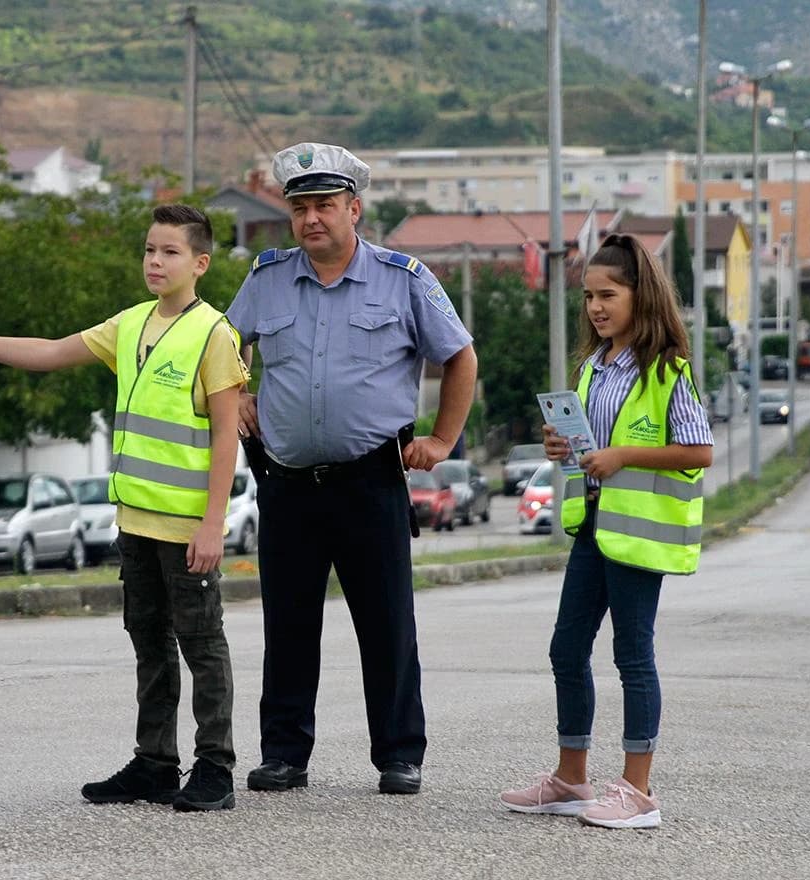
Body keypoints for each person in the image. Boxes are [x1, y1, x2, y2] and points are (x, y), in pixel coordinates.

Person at [0, 204, 248, 813]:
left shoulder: (214, 334)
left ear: (199, 264)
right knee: (149, 641)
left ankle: (216, 767)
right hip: (134, 523)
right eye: (149, 249)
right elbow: (46, 351)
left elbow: (228, 434)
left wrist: (212, 524)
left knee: (202, 644)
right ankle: (154, 765)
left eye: (170, 252)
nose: (155, 260)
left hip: (186, 527)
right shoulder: (129, 325)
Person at [226, 142, 477, 796]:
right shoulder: (267, 278)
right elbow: (222, 349)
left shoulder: (404, 278)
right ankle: (283, 754)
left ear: (355, 209)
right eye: (301, 206)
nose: (312, 219)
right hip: (286, 481)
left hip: (371, 480)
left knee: (387, 623)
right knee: (288, 625)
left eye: (326, 205)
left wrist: (444, 439)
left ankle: (399, 754)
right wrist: (240, 392)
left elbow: (459, 356)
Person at [500, 232, 714, 829]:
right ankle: (571, 779)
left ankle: (638, 791)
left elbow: (699, 450)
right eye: (589, 297)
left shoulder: (668, 369)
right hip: (593, 528)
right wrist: (560, 446)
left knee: (632, 655)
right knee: (566, 649)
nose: (595, 307)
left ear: (639, 297)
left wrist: (623, 456)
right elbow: (587, 449)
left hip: (639, 536)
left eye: (608, 295)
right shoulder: (592, 367)